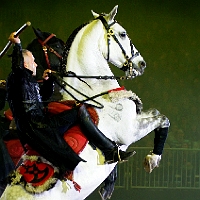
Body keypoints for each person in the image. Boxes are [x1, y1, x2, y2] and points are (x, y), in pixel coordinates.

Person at [6, 32, 135, 177]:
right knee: (80, 110)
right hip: (39, 127)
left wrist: (48, 81)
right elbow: (17, 67)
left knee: (77, 108)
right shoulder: (19, 77)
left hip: (39, 125)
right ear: (25, 64)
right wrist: (17, 45)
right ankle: (109, 150)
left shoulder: (26, 80)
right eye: (33, 60)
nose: (36, 64)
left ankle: (107, 150)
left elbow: (43, 98)